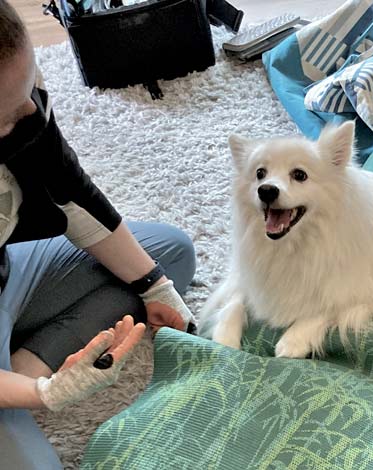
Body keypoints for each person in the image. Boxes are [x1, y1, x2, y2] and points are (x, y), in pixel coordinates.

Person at [0, 1, 197, 468]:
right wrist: (43, 394)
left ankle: (23, 362)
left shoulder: (18, 96)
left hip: (11, 266)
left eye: (30, 86)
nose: (30, 110)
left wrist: (155, 285)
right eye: (6, 114)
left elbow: (68, 189)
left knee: (171, 254)